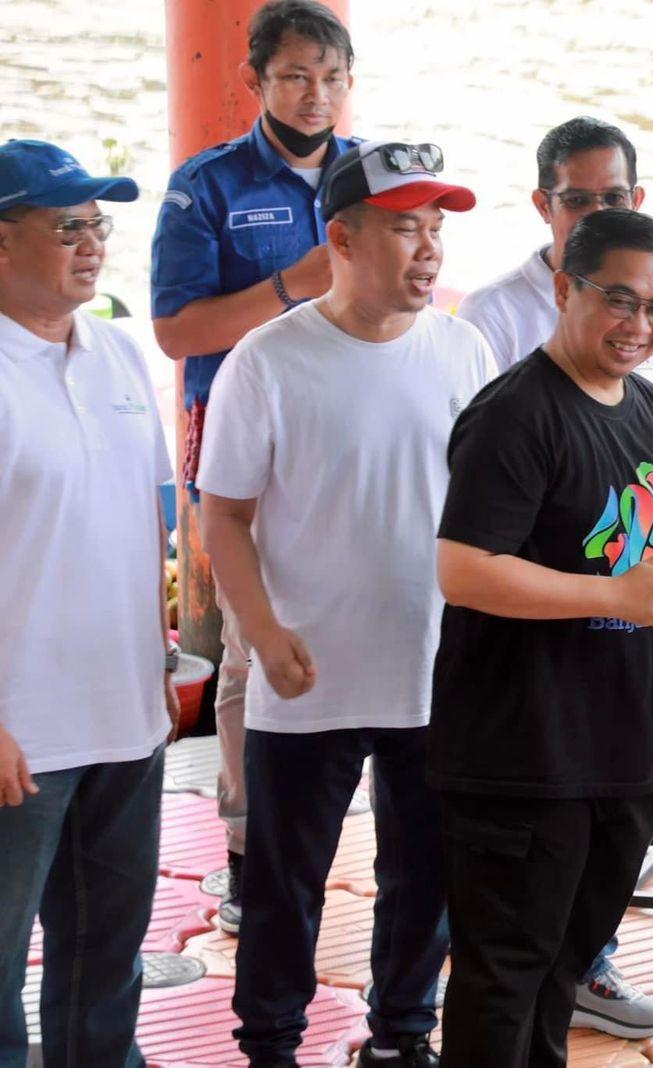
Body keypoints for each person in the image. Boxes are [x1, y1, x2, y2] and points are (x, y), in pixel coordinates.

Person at [198, 141, 493, 1068]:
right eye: (405, 229)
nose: (429, 249)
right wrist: (263, 631)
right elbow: (223, 516)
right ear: (343, 238)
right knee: (284, 886)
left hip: (433, 667)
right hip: (306, 673)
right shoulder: (268, 360)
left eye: (436, 228)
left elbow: (490, 510)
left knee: (424, 876)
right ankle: (270, 1046)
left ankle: (401, 1035)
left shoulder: (465, 349)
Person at [429, 209, 653, 1067]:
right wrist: (607, 593)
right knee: (503, 976)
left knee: (564, 966)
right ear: (564, 290)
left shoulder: (648, 406)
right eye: (619, 300)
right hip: (524, 755)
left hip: (623, 746)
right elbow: (463, 569)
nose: (639, 326)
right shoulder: (515, 415)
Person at [149, 0, 360, 937]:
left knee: (375, 622)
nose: (316, 95)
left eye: (332, 77)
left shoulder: (374, 174)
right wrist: (292, 285)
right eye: (296, 76)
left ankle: (370, 830)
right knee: (248, 646)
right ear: (253, 80)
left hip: (354, 436)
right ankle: (248, 850)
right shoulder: (206, 187)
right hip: (247, 446)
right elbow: (176, 332)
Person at [0, 139, 179, 1067]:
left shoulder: (117, 352)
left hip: (123, 716)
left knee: (108, 962)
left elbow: (150, 519)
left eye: (98, 225)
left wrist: (158, 663)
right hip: (19, 734)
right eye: (67, 226)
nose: (92, 245)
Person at [458, 116, 653, 496]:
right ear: (543, 205)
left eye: (614, 198)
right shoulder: (491, 314)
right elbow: (478, 463)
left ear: (636, 201)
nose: (598, 215)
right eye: (577, 200)